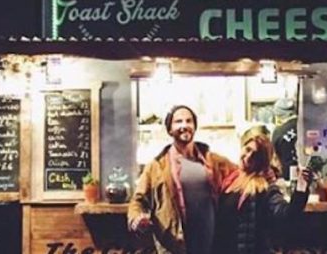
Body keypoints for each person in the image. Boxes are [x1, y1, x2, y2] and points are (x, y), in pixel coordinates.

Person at [128, 105, 236, 254]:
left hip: (211, 244)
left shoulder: (212, 160)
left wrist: (267, 173)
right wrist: (136, 219)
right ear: (169, 129)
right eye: (178, 121)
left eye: (189, 121)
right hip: (174, 245)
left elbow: (242, 173)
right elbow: (138, 200)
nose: (184, 125)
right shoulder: (157, 166)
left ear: (195, 126)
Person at [214, 125, 312, 254]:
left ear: (262, 160)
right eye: (247, 149)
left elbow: (287, 214)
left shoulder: (264, 187)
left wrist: (301, 187)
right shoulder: (231, 178)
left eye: (255, 155)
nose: (248, 156)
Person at [271, 98, 298, 180]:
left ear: (278, 116)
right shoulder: (307, 126)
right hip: (310, 176)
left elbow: (275, 158)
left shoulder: (278, 132)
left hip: (288, 177)